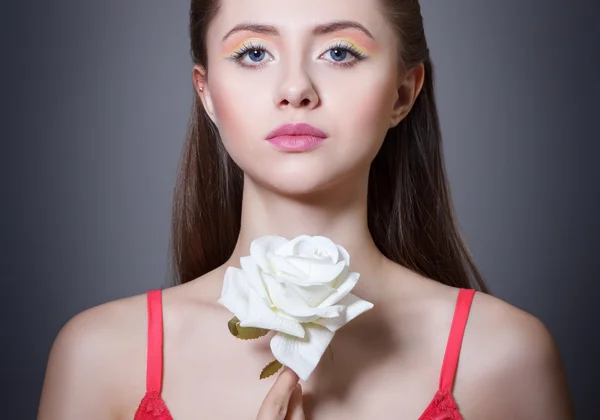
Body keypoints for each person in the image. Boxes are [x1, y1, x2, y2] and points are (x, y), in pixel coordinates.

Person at [37, 0, 575, 418]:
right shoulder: (101, 355)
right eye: (254, 53)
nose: (295, 88)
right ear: (206, 93)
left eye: (339, 52)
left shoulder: (504, 356)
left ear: (403, 93)